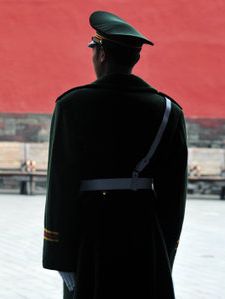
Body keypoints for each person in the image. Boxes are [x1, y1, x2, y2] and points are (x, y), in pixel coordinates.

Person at [43, 11, 188, 299]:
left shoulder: (72, 105)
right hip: (144, 234)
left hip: (92, 234)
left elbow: (61, 185)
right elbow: (174, 196)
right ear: (134, 59)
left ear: (101, 54)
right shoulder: (169, 111)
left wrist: (59, 254)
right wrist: (164, 251)